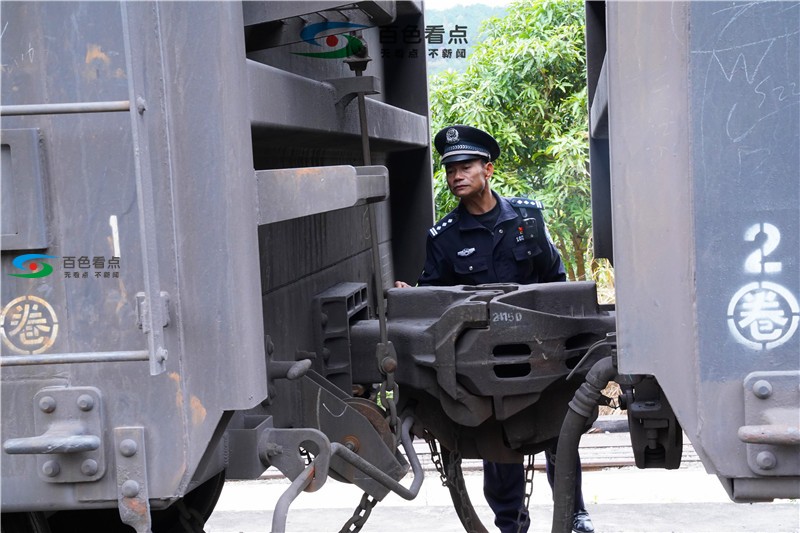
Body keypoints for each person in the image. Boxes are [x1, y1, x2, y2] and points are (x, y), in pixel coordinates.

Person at [395, 125, 594, 533]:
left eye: (465, 166)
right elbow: (433, 296)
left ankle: (574, 514)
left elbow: (554, 280)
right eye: (450, 169)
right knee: (498, 440)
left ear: (488, 169)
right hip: (485, 360)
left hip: (540, 348)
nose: (455, 175)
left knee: (559, 429)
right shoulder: (444, 237)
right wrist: (410, 294)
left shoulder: (527, 218)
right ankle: (510, 524)